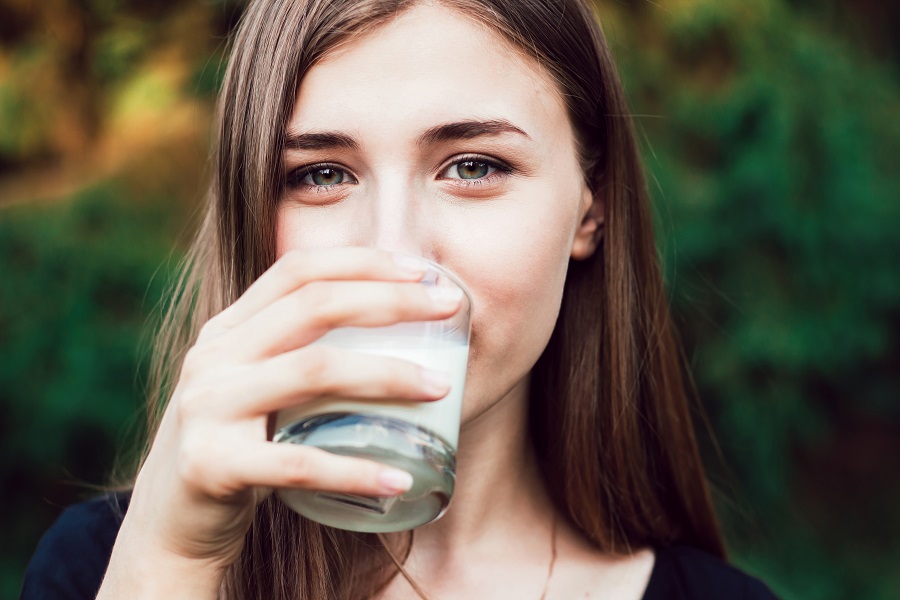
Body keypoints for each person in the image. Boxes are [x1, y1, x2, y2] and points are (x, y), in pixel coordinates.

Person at [22, 0, 778, 598]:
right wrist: (170, 569)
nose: (394, 252)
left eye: (474, 165)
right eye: (320, 174)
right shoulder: (108, 570)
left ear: (591, 205)